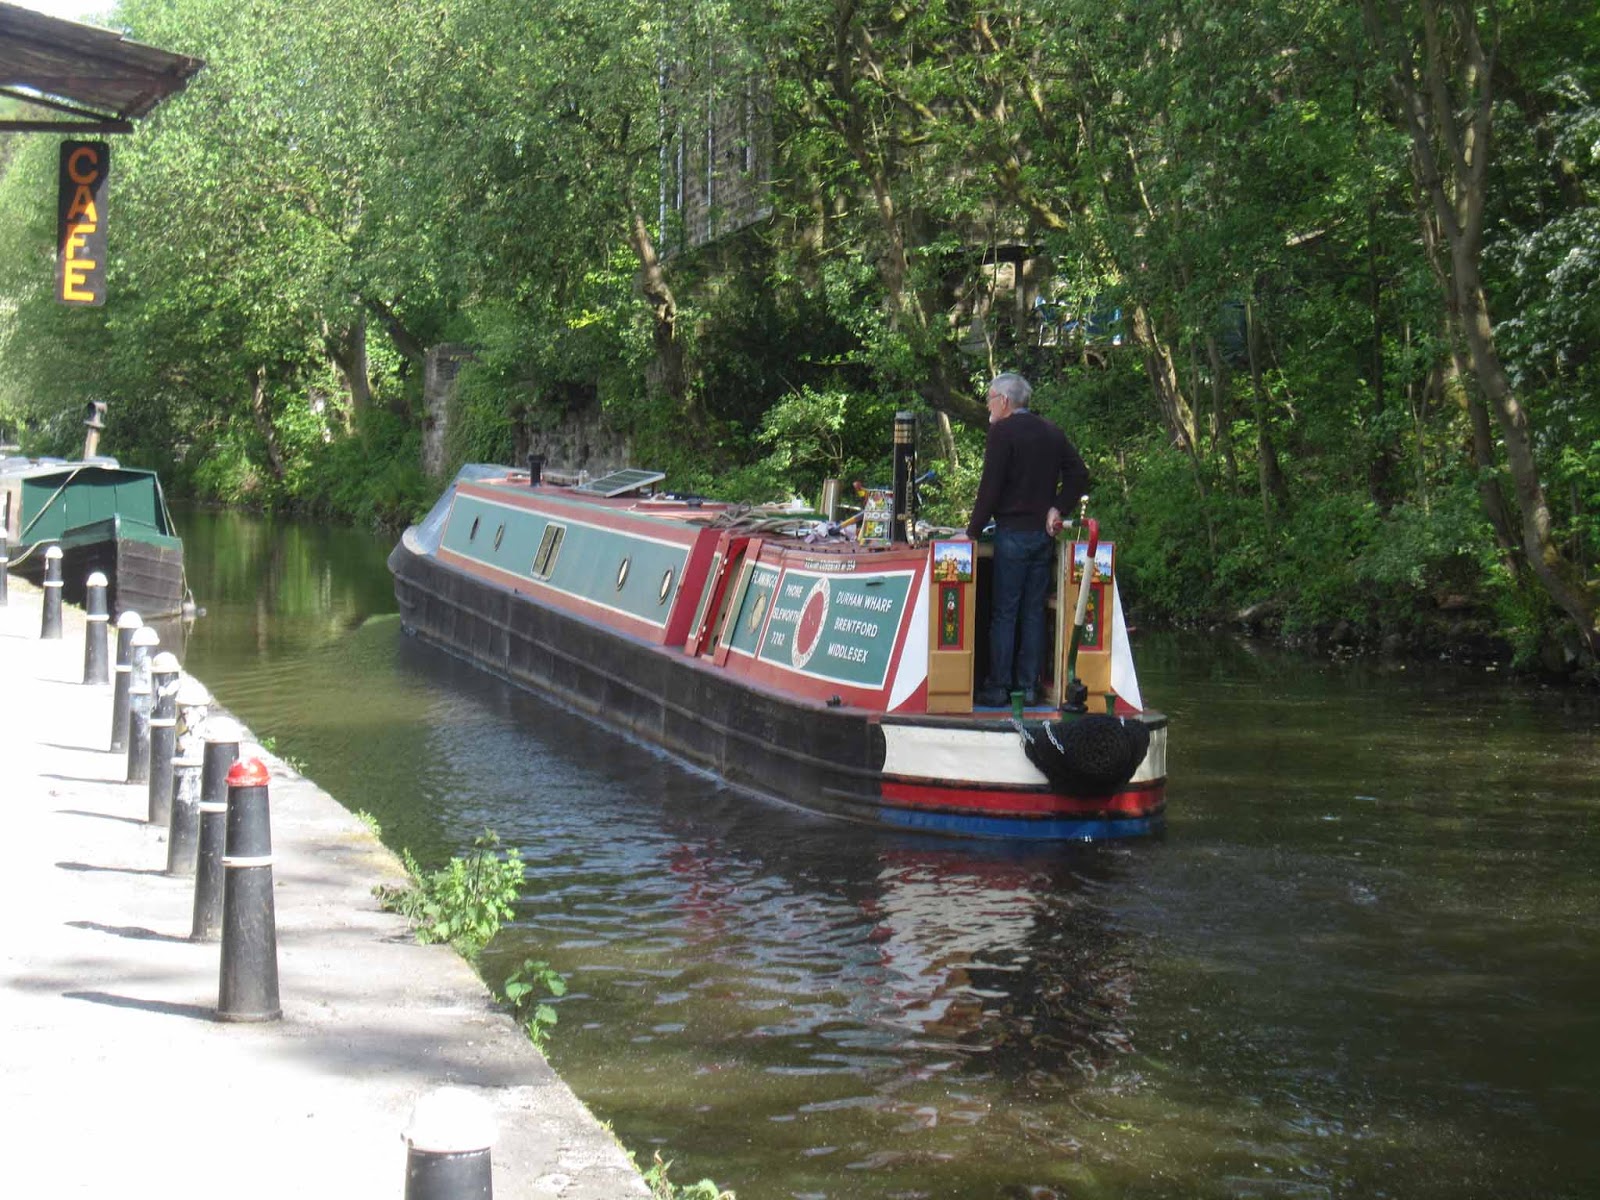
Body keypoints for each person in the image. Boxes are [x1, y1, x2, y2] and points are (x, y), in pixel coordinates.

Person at [964, 373, 1090, 707]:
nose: (988, 406)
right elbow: (1079, 474)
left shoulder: (1002, 432)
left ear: (1004, 401)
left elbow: (990, 488)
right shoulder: (1051, 431)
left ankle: (998, 687)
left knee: (1005, 613)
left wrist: (971, 532)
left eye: (990, 399)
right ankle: (1030, 688)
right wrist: (1057, 507)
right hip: (1042, 537)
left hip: (1012, 535)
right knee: (1033, 611)